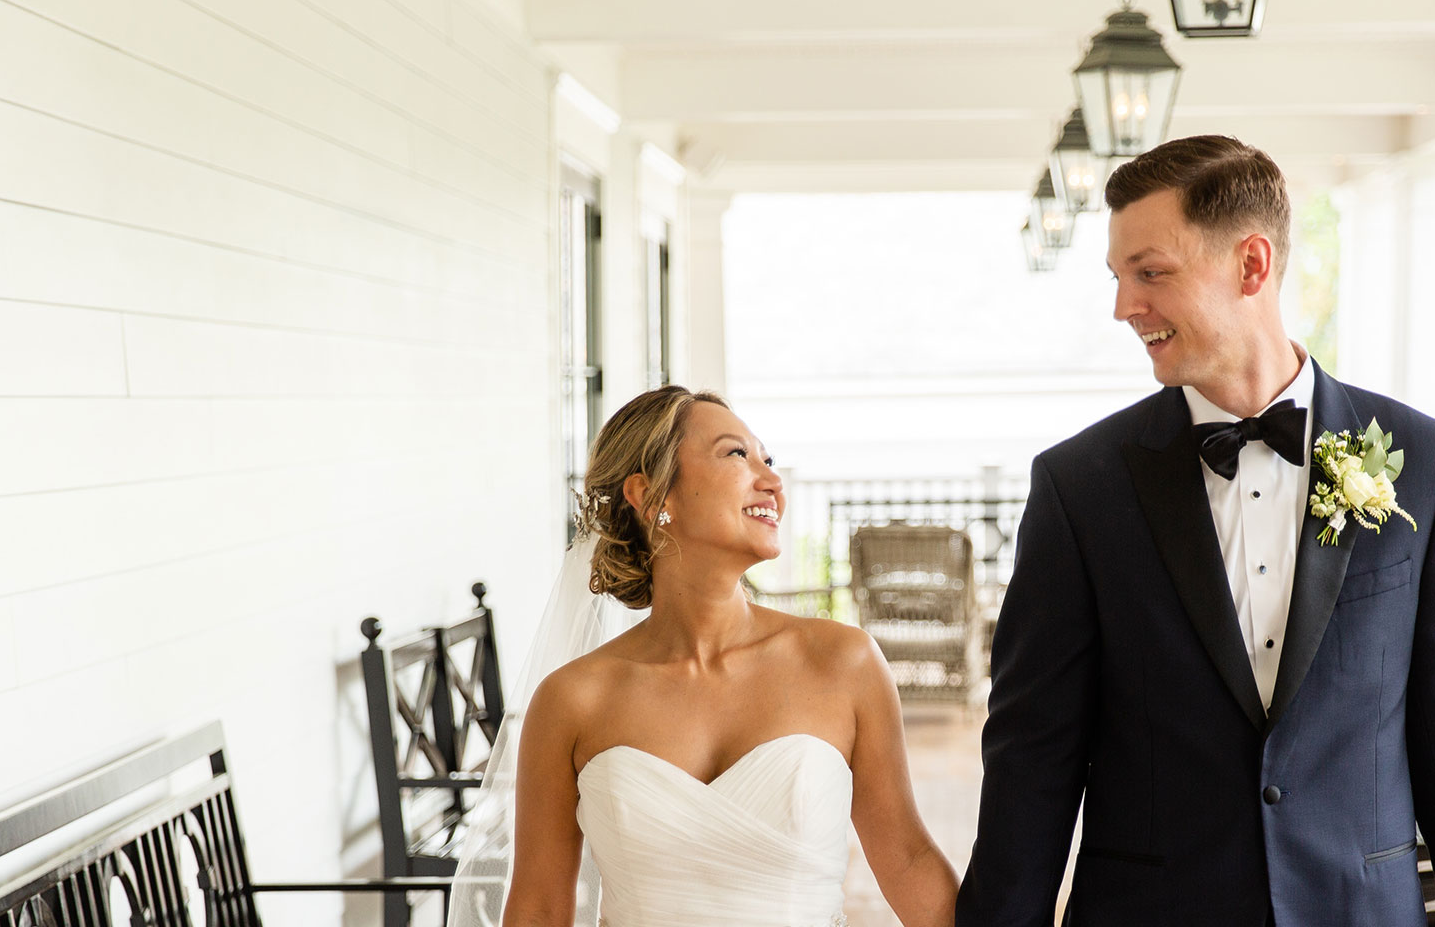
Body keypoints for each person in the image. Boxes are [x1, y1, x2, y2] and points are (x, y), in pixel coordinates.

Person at [956, 135, 1435, 926]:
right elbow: (1032, 763)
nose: (1123, 307)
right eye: (1118, 278)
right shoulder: (1080, 487)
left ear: (1251, 265)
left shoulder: (1420, 461)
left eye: (1150, 273)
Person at [450, 385, 957, 927]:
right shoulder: (571, 700)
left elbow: (909, 861)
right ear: (651, 497)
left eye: (768, 460)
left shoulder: (844, 663)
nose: (772, 482)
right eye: (736, 454)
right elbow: (538, 909)